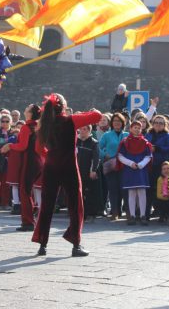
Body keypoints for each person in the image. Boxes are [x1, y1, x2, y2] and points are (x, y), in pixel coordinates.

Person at [32, 93, 101, 257]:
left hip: (50, 167)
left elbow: (38, 149)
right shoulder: (71, 120)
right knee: (75, 206)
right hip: (69, 166)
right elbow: (97, 116)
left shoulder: (43, 125)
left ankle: (42, 245)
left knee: (46, 207)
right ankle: (75, 244)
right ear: (63, 106)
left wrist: (50, 155)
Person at [1, 104, 44, 231]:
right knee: (29, 191)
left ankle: (28, 222)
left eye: (28, 108)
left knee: (24, 192)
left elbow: (22, 146)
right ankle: (31, 218)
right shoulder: (39, 126)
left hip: (29, 162)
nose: (25, 109)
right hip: (37, 161)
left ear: (30, 113)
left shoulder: (26, 127)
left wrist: (10, 146)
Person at [118, 121, 152, 226]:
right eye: (135, 127)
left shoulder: (145, 142)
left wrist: (141, 164)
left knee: (142, 192)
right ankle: (132, 216)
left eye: (139, 128)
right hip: (130, 170)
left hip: (141, 170)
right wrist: (130, 163)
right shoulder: (125, 142)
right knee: (131, 192)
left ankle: (143, 216)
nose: (137, 129)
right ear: (131, 129)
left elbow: (148, 156)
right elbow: (120, 156)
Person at [99, 113, 128, 220]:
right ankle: (115, 212)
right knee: (113, 189)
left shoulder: (127, 135)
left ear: (122, 123)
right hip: (111, 165)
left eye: (119, 121)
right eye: (115, 121)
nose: (117, 123)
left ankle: (126, 211)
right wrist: (104, 155)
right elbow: (98, 147)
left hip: (124, 166)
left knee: (124, 189)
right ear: (112, 123)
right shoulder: (106, 135)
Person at [145, 114, 169, 219]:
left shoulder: (167, 136)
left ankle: (163, 213)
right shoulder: (148, 135)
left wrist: (157, 148)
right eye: (156, 122)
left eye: (161, 123)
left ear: (165, 125)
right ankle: (146, 213)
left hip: (162, 167)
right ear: (152, 124)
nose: (158, 125)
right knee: (148, 190)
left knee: (162, 189)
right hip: (149, 166)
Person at [76, 125, 101, 223]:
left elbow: (96, 158)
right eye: (81, 129)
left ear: (89, 130)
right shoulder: (75, 141)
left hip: (88, 172)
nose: (82, 131)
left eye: (84, 129)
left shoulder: (94, 143)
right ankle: (79, 213)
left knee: (89, 193)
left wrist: (93, 170)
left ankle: (90, 213)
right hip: (76, 172)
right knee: (78, 193)